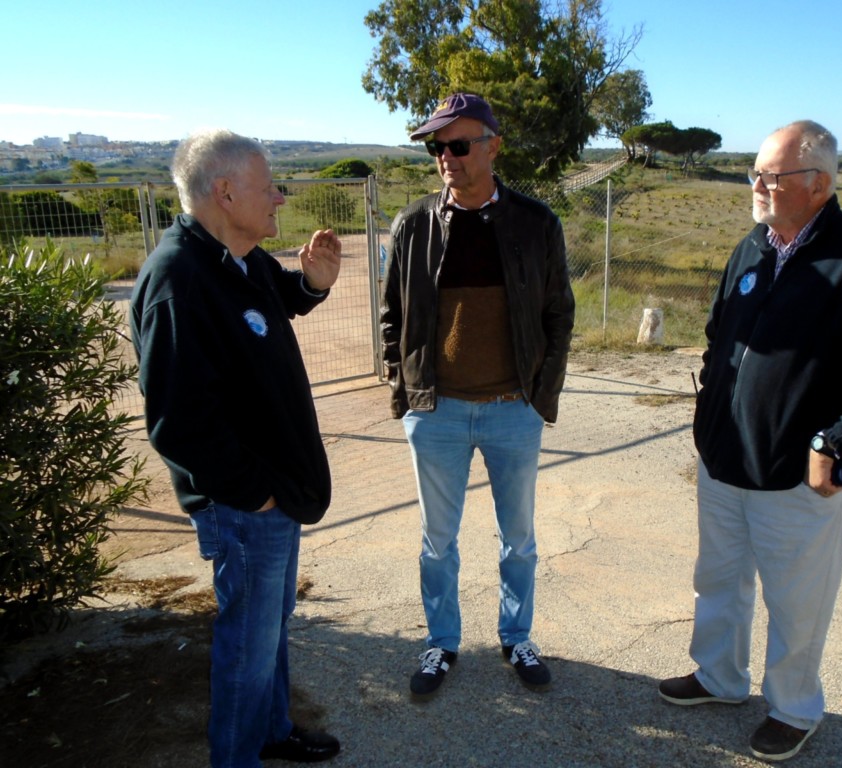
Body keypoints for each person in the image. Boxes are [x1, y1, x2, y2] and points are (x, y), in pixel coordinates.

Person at [659, 121, 842, 762]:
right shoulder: (752, 248)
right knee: (718, 580)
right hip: (724, 460)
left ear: (817, 185)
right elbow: (717, 334)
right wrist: (707, 416)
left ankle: (793, 708)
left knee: (797, 601)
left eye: (770, 176)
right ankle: (719, 679)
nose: (756, 185)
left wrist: (835, 441)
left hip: (796, 474)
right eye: (754, 172)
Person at [130, 129, 342, 767]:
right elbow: (178, 421)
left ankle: (271, 734)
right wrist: (259, 495)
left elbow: (273, 299)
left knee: (269, 635)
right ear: (224, 192)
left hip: (268, 494)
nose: (279, 197)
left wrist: (311, 284)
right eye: (267, 185)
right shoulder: (179, 279)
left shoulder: (236, 258)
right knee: (246, 651)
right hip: (244, 504)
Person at [380, 93, 575, 700]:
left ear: (492, 145)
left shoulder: (536, 223)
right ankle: (441, 642)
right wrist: (403, 394)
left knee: (518, 539)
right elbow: (391, 318)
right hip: (436, 412)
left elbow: (557, 315)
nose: (447, 158)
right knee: (439, 542)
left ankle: (516, 636)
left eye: (459, 145)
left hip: (512, 411)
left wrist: (540, 395)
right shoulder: (412, 225)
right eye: (437, 147)